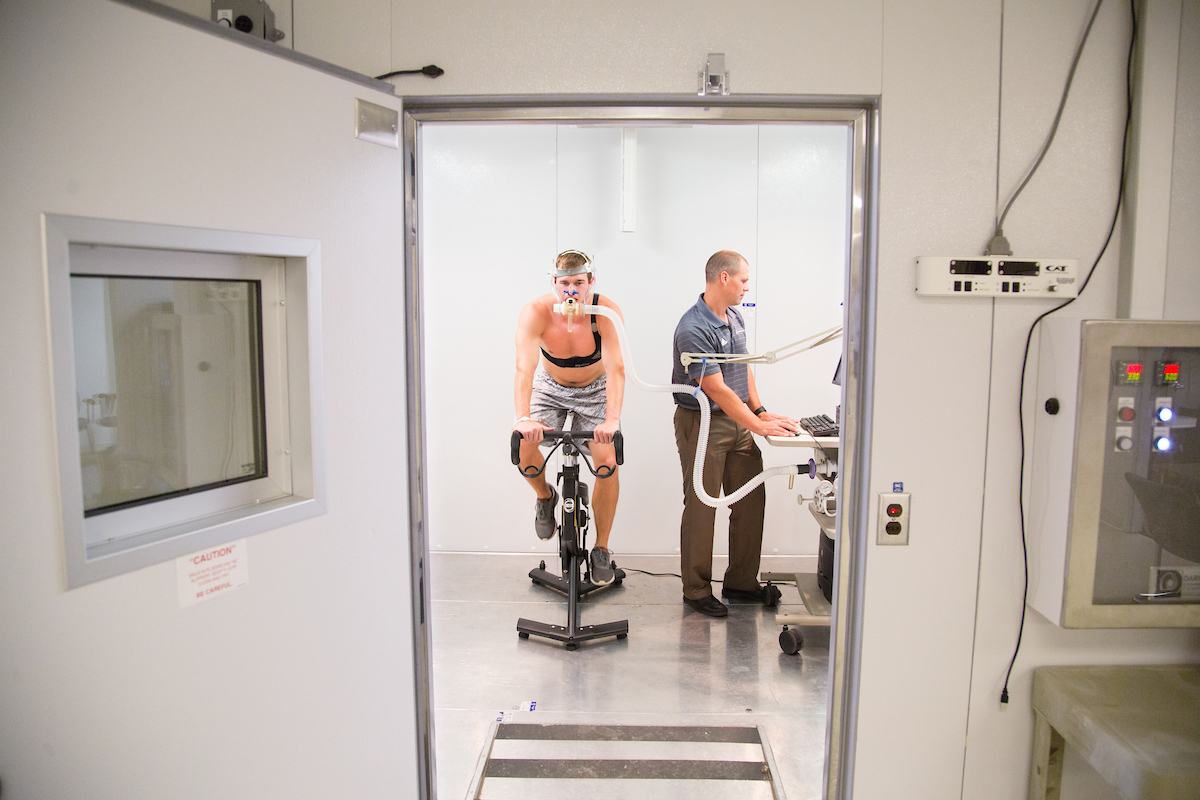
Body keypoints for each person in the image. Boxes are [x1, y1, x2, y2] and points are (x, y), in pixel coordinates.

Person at [671, 250, 800, 617]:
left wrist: (758, 412)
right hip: (704, 424)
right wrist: (757, 425)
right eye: (743, 280)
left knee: (750, 500)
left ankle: (741, 583)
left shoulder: (734, 317)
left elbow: (743, 368)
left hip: (740, 421)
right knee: (702, 506)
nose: (747, 286)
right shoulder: (693, 327)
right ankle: (696, 589)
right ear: (723, 278)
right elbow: (716, 388)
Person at [513, 250, 626, 585]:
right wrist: (522, 418)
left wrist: (612, 421)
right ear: (555, 283)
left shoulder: (605, 313)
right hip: (551, 386)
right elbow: (524, 369)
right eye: (565, 283)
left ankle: (601, 549)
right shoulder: (536, 312)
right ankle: (545, 497)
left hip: (595, 388)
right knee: (523, 449)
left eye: (579, 283)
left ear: (591, 281)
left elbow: (617, 370)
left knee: (607, 463)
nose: (572, 291)